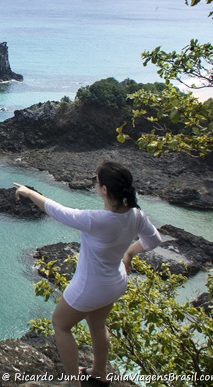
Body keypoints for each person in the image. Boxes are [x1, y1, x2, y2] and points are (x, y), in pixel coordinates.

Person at [14, 160, 162, 386]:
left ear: (104, 189)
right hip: (115, 283)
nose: (95, 183)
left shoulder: (96, 220)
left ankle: (73, 383)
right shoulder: (136, 215)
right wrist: (129, 253)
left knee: (60, 325)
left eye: (96, 180)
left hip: (90, 288)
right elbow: (154, 240)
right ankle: (99, 372)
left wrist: (28, 192)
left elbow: (57, 210)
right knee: (97, 324)